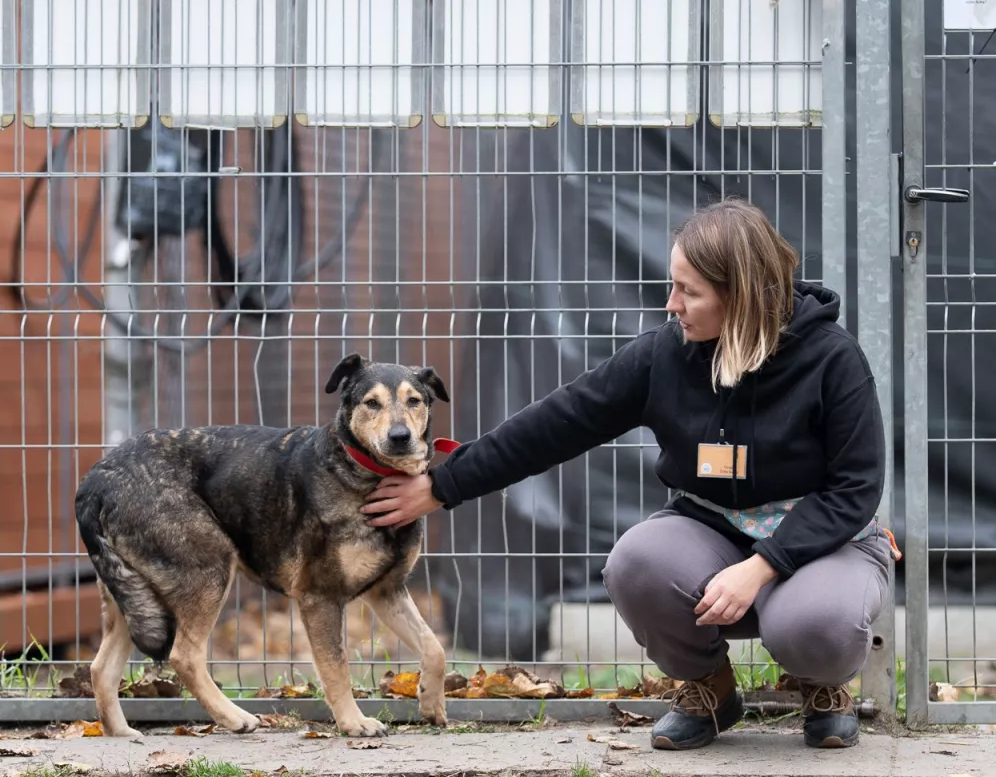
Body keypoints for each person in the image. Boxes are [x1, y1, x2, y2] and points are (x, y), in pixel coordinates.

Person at [362, 198, 895, 751]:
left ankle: (822, 685)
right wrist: (442, 485)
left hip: (822, 542)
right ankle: (710, 689)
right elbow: (560, 421)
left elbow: (853, 489)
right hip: (716, 526)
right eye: (673, 285)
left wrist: (761, 567)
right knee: (636, 564)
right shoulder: (668, 354)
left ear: (739, 296)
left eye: (689, 292)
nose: (672, 304)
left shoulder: (832, 360)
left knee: (814, 623)